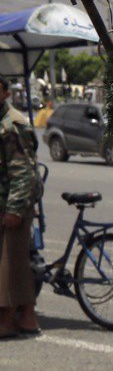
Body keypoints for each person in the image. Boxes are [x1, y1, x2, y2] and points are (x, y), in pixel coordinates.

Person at [0, 77, 42, 338]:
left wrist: (14, 210)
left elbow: (24, 173)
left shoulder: (11, 125)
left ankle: (7, 320)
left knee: (9, 262)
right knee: (15, 262)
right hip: (7, 200)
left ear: (5, 93)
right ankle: (27, 316)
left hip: (15, 202)